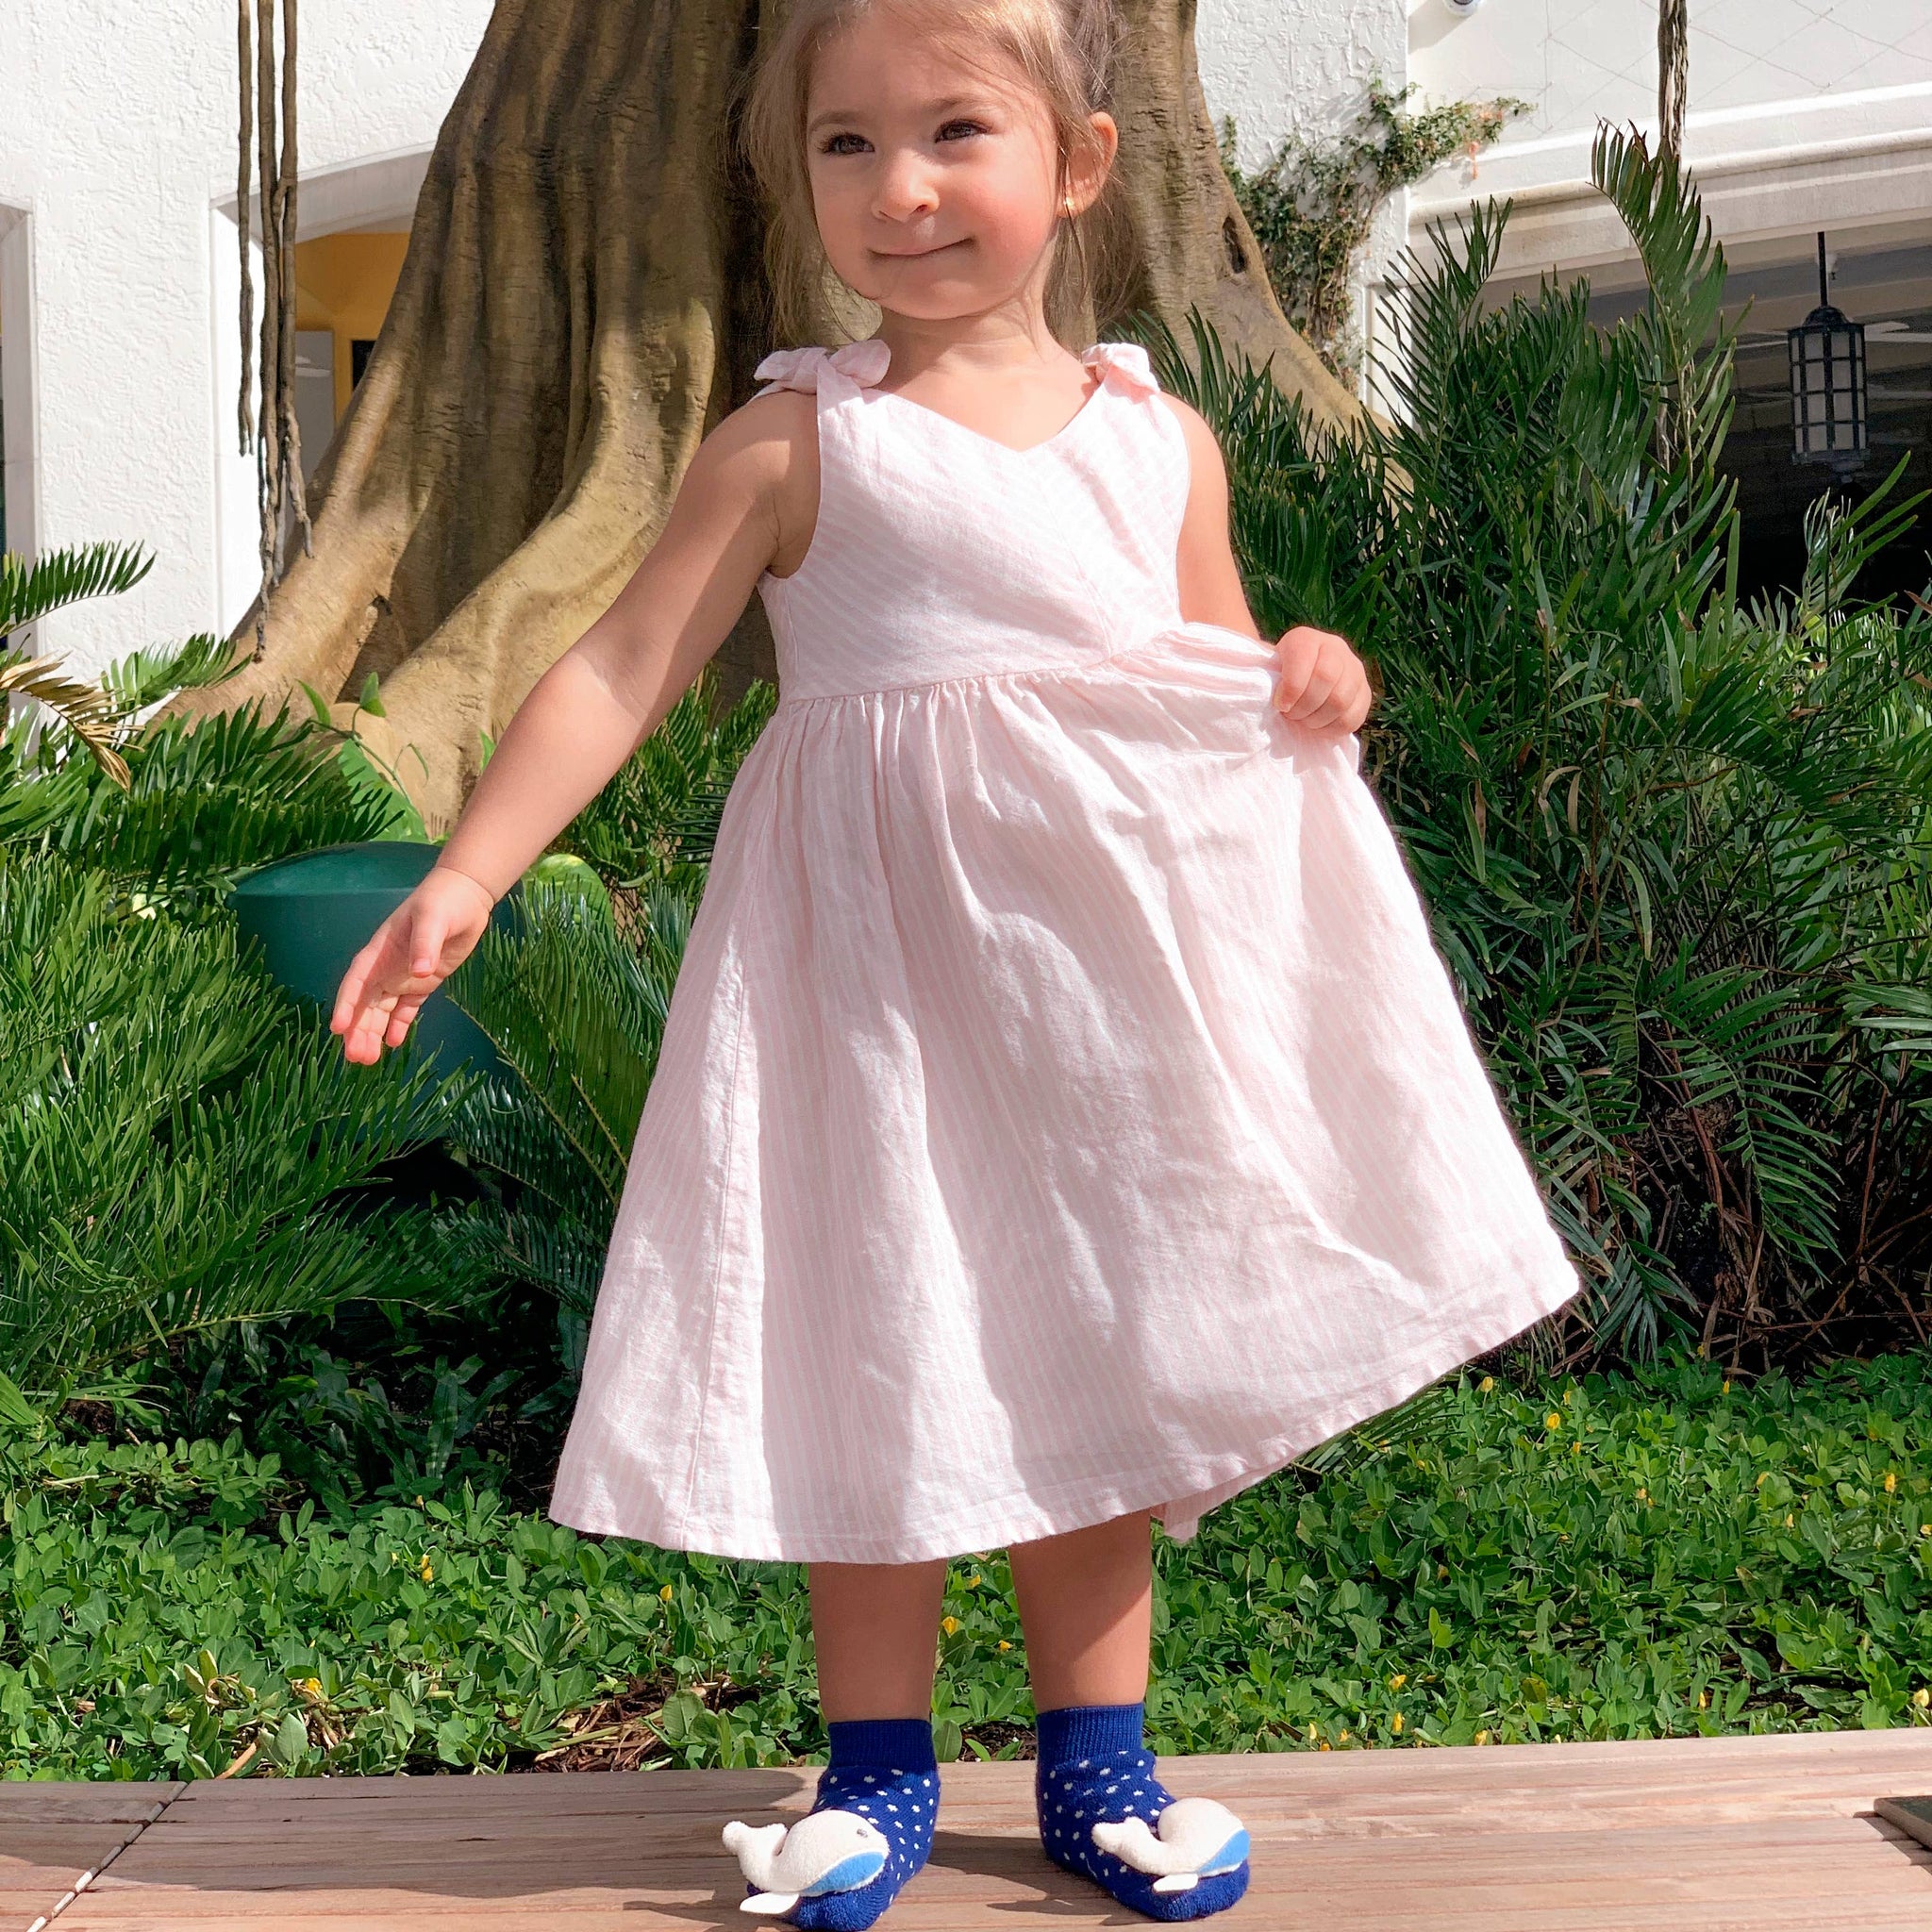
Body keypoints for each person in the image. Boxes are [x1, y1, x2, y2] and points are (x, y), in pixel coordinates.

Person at [331, 0, 1581, 1922]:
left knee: (1097, 1330)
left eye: (953, 135)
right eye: (846, 143)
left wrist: (1306, 673)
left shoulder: (1157, 445)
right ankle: (873, 1770)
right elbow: (621, 663)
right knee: (882, 1330)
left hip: (1092, 999)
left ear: (1078, 165)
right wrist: (470, 869)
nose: (898, 187)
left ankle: (1100, 1763)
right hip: (866, 996)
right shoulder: (795, 442)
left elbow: (1211, 683)